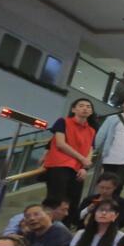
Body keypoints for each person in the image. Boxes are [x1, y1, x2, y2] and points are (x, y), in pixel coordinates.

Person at [42, 97, 97, 226]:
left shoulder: (92, 130)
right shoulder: (63, 122)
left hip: (78, 169)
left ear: (91, 112)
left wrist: (85, 168)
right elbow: (60, 144)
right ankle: (47, 226)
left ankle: (64, 229)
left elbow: (90, 149)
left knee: (73, 203)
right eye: (81, 106)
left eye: (88, 106)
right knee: (55, 201)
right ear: (73, 109)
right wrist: (82, 159)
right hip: (60, 165)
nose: (85, 108)